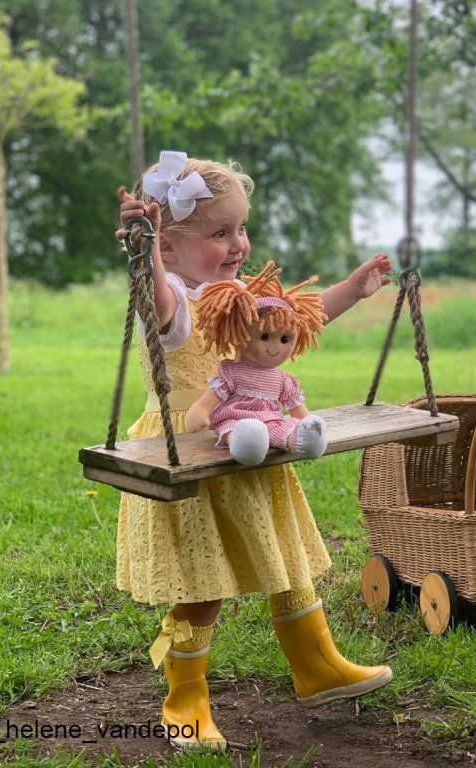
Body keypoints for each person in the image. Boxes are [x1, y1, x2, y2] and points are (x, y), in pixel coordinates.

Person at [115, 150, 394, 751]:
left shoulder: (241, 293)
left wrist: (353, 289)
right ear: (171, 247)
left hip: (248, 439)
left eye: (241, 228)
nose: (238, 243)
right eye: (219, 233)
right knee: (201, 581)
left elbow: (294, 321)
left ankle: (316, 665)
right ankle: (185, 698)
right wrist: (146, 256)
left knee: (281, 554)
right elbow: (159, 307)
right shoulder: (176, 298)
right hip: (187, 444)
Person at [185, 261, 329, 466]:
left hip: (271, 421)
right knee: (233, 429)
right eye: (264, 336)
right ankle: (245, 443)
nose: (275, 347)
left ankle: (304, 438)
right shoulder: (231, 372)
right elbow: (211, 399)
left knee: (284, 428)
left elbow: (297, 410)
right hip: (236, 421)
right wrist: (200, 411)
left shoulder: (283, 380)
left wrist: (307, 422)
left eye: (285, 339)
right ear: (240, 335)